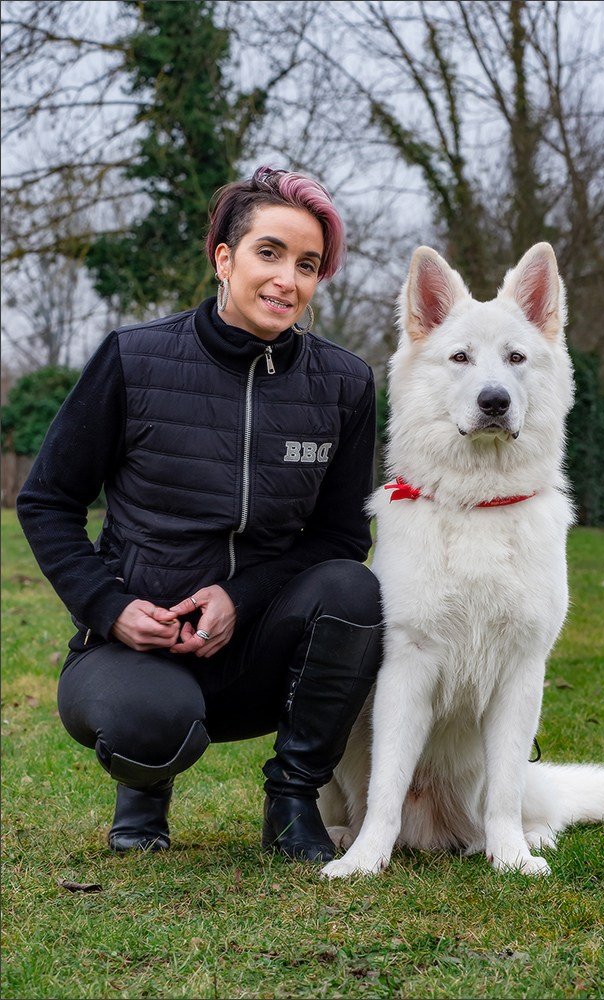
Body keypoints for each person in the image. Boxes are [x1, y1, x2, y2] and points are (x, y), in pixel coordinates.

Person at [16, 165, 383, 863]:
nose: (287, 280)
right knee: (148, 720)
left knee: (354, 588)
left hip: (260, 651)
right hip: (136, 646)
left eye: (308, 265)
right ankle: (144, 794)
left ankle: (292, 800)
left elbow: (339, 537)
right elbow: (47, 500)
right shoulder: (135, 359)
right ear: (224, 257)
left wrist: (237, 599)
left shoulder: (344, 384)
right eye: (268, 253)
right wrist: (109, 607)